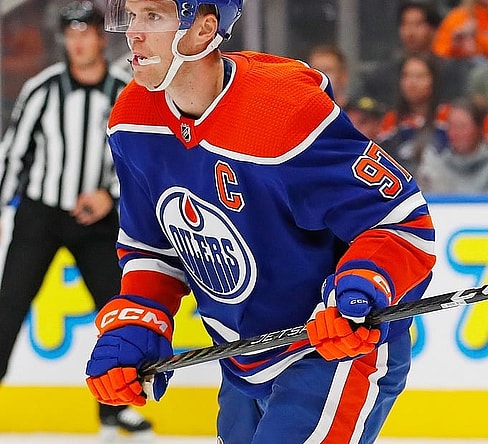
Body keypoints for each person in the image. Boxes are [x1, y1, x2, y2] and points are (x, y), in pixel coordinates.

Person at [84, 2, 437, 444]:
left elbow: (402, 223)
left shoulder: (282, 112)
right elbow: (151, 249)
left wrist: (360, 288)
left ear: (203, 29)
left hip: (331, 351)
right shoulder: (133, 120)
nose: (133, 32)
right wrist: (138, 319)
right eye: (130, 16)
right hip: (243, 359)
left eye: (153, 17)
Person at [0, 1, 155, 441]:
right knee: (8, 307)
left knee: (119, 310)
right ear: (65, 39)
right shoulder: (42, 88)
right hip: (41, 214)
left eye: (87, 31)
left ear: (100, 38)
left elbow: (140, 161)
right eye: (72, 33)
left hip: (98, 221)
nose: (80, 40)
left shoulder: (128, 90)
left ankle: (115, 408)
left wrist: (109, 195)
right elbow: (15, 153)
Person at [417, 98, 488, 194]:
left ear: (479, 129)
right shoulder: (434, 169)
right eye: (452, 126)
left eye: (462, 126)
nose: (456, 133)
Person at [378, 54, 451, 174]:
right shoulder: (391, 120)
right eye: (406, 76)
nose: (411, 83)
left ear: (433, 81)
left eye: (420, 76)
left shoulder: (448, 116)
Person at [307, 44, 352, 108]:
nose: (320, 76)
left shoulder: (358, 116)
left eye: (327, 70)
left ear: (343, 76)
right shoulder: (301, 114)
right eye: (315, 71)